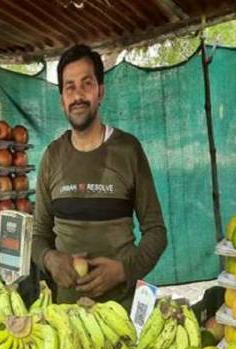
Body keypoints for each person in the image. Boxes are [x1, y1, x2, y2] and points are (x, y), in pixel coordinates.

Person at [32, 44, 167, 309]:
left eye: (86, 83)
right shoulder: (52, 157)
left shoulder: (128, 150)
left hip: (121, 313)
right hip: (66, 318)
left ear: (100, 92)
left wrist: (123, 270)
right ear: (61, 100)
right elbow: (38, 235)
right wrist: (50, 259)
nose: (78, 95)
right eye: (69, 87)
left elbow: (156, 232)